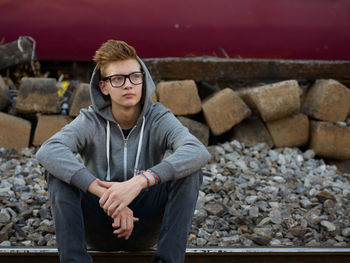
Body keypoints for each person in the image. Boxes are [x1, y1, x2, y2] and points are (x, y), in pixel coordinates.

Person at [36, 40, 211, 263]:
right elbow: (48, 150)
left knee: (190, 172)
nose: (128, 85)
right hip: (98, 223)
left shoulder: (158, 118)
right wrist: (108, 195)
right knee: (57, 173)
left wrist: (137, 183)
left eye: (134, 77)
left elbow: (197, 150)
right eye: (117, 79)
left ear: (143, 79)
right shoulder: (90, 120)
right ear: (104, 87)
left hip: (144, 224)